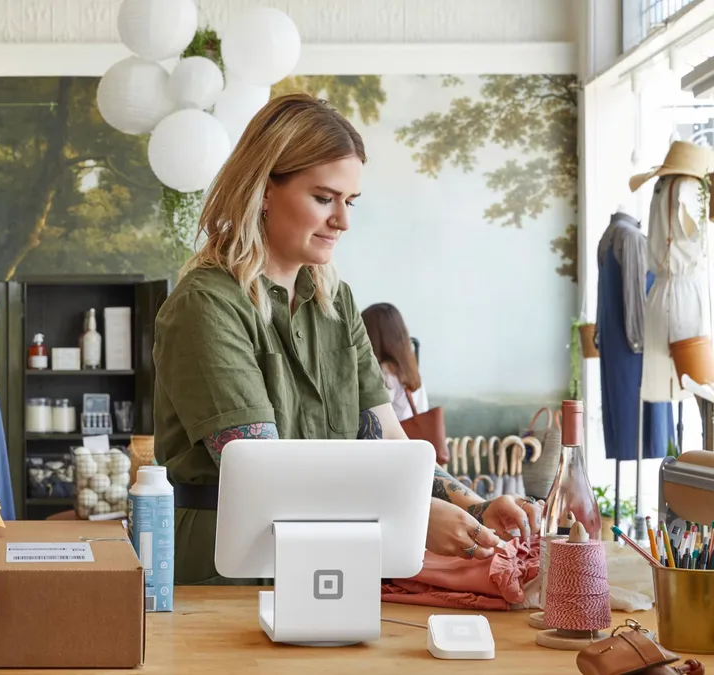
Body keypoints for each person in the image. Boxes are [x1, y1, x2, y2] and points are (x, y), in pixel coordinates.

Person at [152, 94, 542, 586]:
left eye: (350, 201)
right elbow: (266, 479)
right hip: (225, 578)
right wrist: (413, 518)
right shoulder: (206, 304)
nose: (343, 221)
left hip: (329, 567)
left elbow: (391, 444)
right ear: (263, 190)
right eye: (324, 198)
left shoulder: (335, 302)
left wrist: (475, 506)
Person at [361, 303, 428, 422]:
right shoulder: (410, 368)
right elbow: (422, 410)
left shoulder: (385, 372)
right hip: (412, 438)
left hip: (393, 438)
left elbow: (377, 416)